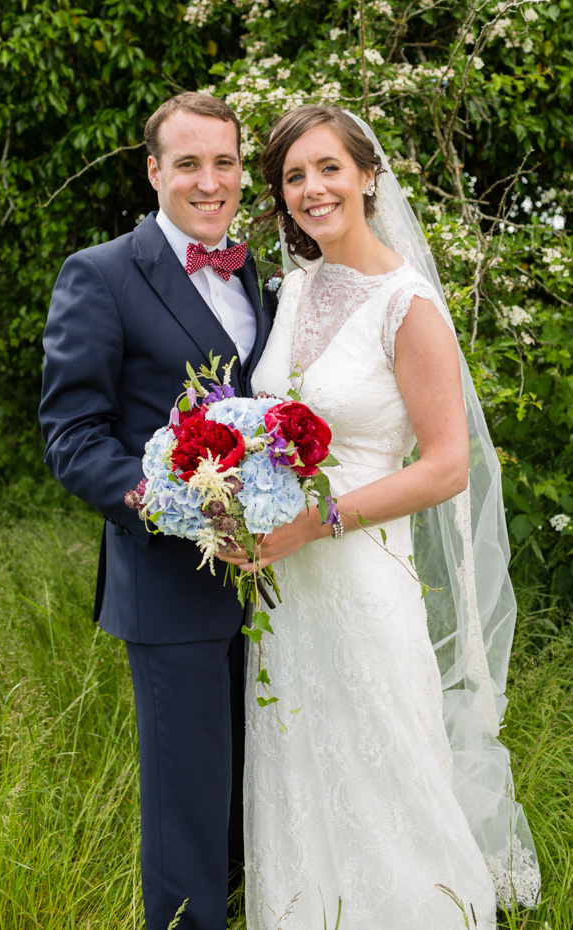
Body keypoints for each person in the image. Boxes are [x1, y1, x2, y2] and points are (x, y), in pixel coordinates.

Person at [219, 105, 540, 929]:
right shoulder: (297, 287)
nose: (312, 189)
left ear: (368, 176)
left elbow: (444, 466)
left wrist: (313, 522)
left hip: (361, 579)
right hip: (285, 591)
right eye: (294, 176)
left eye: (328, 168)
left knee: (387, 777)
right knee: (300, 776)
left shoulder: (409, 305)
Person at [38, 92, 276, 930]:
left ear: (242, 170)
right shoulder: (100, 273)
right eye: (187, 163)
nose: (208, 182)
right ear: (154, 170)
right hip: (172, 589)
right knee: (187, 819)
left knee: (264, 804)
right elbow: (72, 436)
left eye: (225, 162)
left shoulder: (261, 275)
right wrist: (173, 505)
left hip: (282, 587)